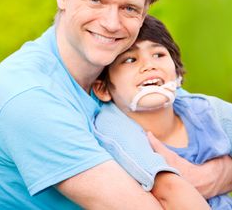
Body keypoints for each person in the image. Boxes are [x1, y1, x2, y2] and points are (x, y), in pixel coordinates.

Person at [0, 0, 230, 209]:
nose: (111, 23)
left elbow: (204, 119)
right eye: (96, 0)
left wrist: (208, 175)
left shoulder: (118, 70)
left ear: (144, 14)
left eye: (129, 8)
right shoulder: (29, 96)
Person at [93, 14, 232, 209]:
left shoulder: (207, 111)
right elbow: (169, 191)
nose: (149, 65)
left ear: (175, 70)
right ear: (103, 89)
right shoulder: (112, 127)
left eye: (158, 54)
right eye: (130, 59)